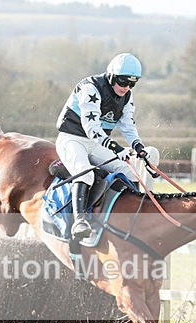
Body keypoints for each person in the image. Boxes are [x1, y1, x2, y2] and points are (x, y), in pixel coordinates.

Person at [55, 52, 156, 241]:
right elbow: (91, 127)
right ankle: (79, 221)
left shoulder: (127, 97)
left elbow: (128, 126)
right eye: (123, 82)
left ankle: (134, 218)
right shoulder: (90, 88)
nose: (127, 88)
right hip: (72, 138)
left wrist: (139, 147)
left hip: (95, 144)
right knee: (85, 172)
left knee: (127, 171)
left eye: (132, 84)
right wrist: (116, 148)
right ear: (111, 76)